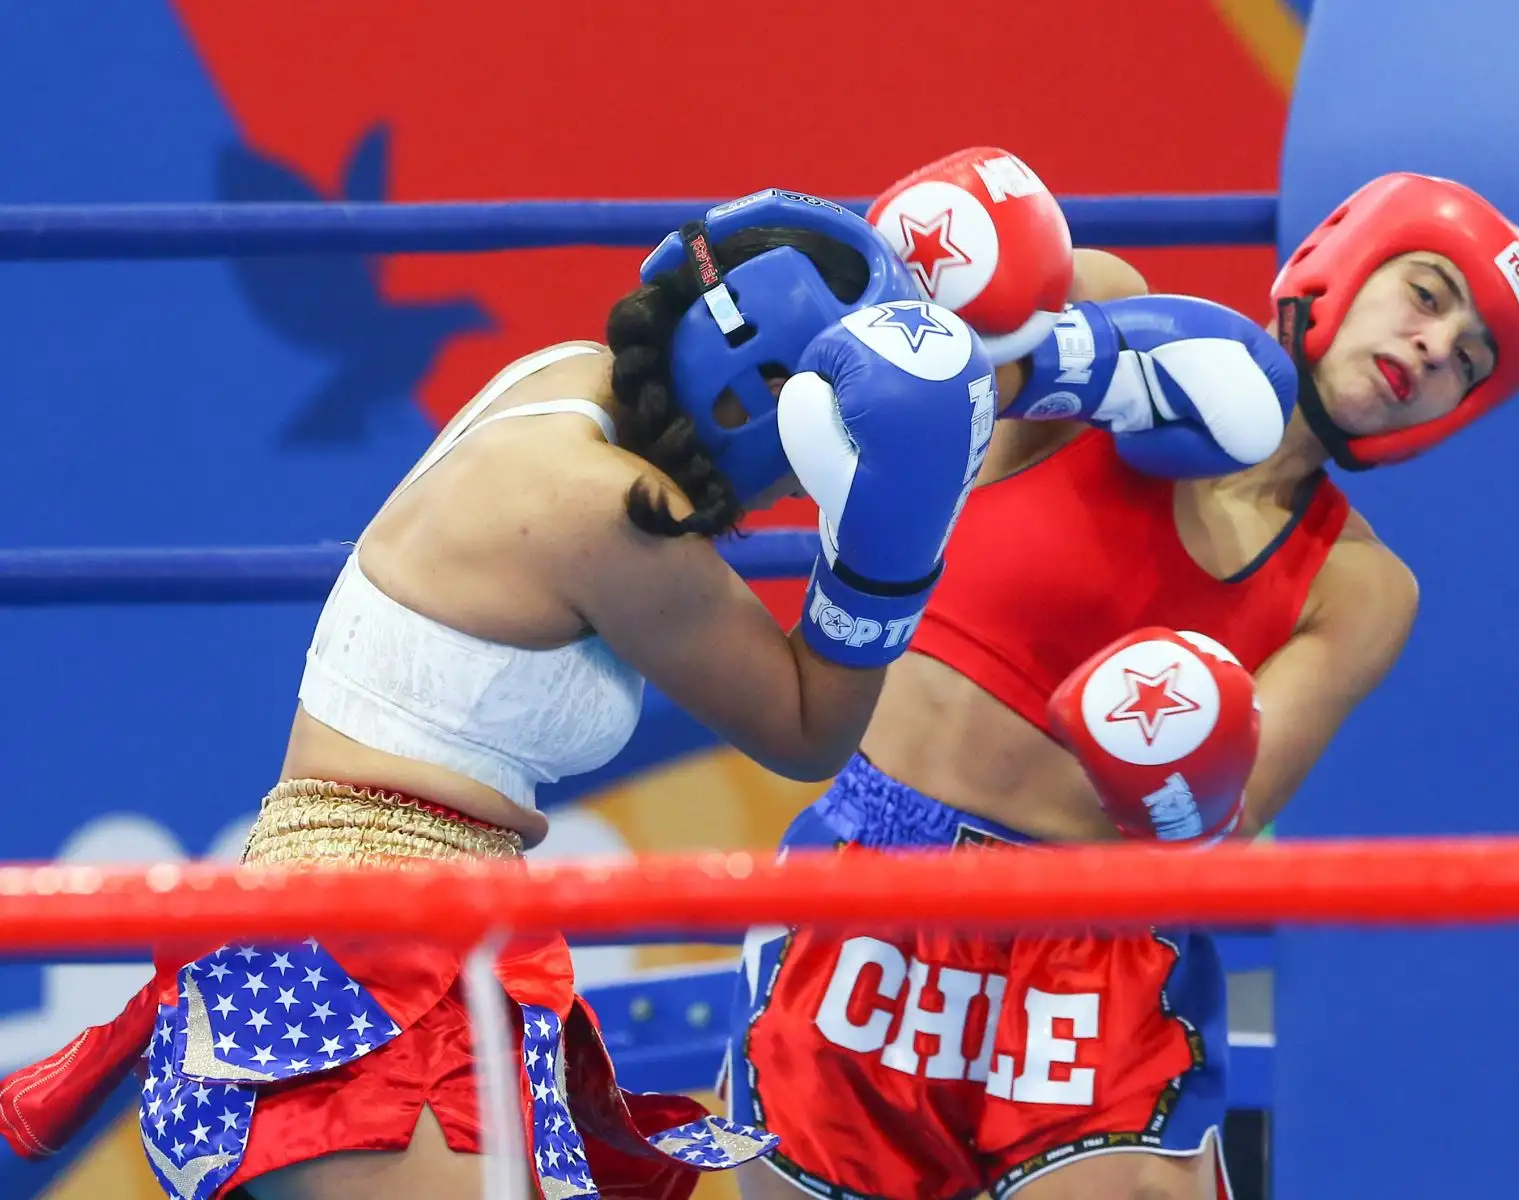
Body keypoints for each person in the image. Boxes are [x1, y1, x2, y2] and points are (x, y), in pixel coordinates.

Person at [0, 188, 1008, 1200]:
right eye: (801, 464)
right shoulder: (611, 512)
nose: (791, 493)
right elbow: (806, 728)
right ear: (761, 402)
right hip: (377, 954)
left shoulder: (561, 378)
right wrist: (891, 538)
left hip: (377, 922)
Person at [724, 155, 1519, 1200]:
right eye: (1426, 295)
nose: (1434, 347)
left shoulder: (1361, 588)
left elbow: (1224, 824)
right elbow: (904, 360)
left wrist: (1178, 753)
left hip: (1094, 955)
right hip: (872, 893)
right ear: (1342, 263)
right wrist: (1094, 366)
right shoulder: (1103, 308)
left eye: (1468, 360)